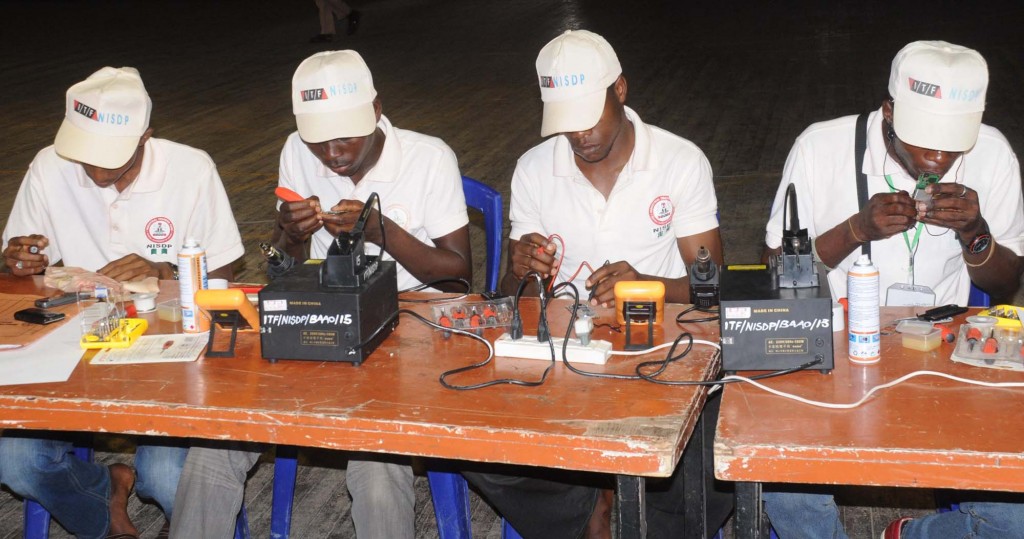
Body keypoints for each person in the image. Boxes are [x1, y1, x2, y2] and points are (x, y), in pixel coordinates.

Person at [169, 49, 471, 538]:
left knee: (376, 469)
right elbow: (286, 268)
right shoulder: (296, 151)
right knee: (215, 442)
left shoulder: (428, 158)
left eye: (345, 136)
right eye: (318, 142)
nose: (331, 154)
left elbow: (458, 280)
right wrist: (290, 233)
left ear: (375, 112)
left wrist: (380, 230)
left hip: (406, 327)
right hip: (320, 316)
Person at [465, 29, 726, 539]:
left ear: (621, 90)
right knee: (472, 443)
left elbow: (709, 284)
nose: (580, 134)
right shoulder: (535, 169)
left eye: (590, 116)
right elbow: (509, 297)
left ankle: (624, 513)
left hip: (660, 351)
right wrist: (520, 268)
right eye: (566, 123)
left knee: (716, 460)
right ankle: (589, 513)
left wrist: (646, 285)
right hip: (563, 361)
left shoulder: (679, 161)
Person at [760, 41, 1024, 538]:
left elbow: (1006, 283)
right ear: (889, 112)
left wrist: (975, 232)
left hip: (942, 354)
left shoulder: (994, 154)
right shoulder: (820, 147)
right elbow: (777, 274)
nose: (939, 157)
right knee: (777, 466)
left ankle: (909, 535)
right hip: (833, 345)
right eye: (925, 141)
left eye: (953, 144)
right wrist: (854, 230)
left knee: (1015, 521)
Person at [0, 67, 244, 539]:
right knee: (15, 462)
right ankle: (103, 496)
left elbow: (226, 280)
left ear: (145, 137)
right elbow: (16, 272)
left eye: (107, 156)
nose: (91, 169)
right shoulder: (50, 164)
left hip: (172, 348)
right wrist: (16, 262)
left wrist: (167, 272)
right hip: (79, 342)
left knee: (170, 478)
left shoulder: (191, 169)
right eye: (83, 152)